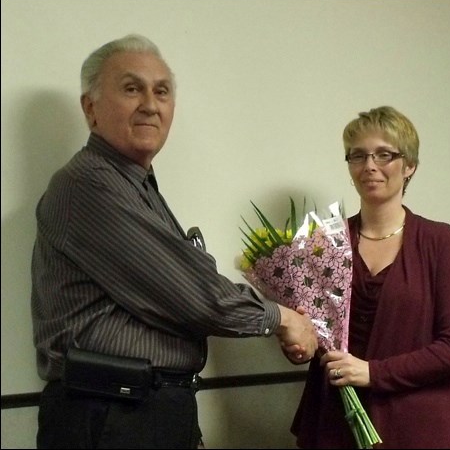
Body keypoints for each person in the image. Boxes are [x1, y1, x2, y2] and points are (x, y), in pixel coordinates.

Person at [31, 33, 317, 449]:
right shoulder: (89, 184)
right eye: (132, 89)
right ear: (90, 108)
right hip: (109, 414)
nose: (150, 104)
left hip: (141, 411)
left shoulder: (137, 185)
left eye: (161, 91)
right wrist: (283, 317)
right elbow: (198, 296)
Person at [290, 106, 450, 448]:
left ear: (409, 166)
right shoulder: (325, 243)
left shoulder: (439, 241)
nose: (370, 166)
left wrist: (373, 373)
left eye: (384, 155)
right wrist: (298, 344)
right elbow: (314, 336)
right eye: (358, 155)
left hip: (420, 428)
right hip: (336, 423)